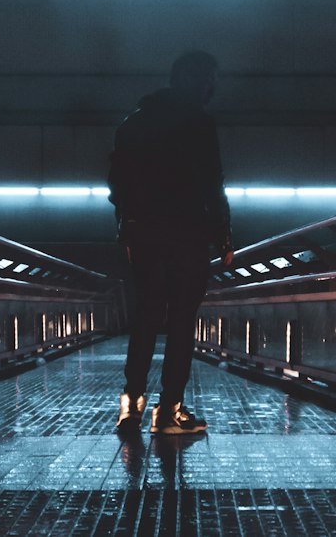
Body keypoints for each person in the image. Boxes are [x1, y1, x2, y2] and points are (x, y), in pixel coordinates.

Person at [107, 50, 233, 435]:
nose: (213, 86)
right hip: (189, 234)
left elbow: (117, 184)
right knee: (181, 322)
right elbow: (213, 184)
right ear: (198, 81)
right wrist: (223, 236)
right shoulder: (200, 123)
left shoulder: (134, 122)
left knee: (146, 316)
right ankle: (169, 411)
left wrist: (127, 228)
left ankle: (130, 405)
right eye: (210, 78)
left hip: (145, 233)